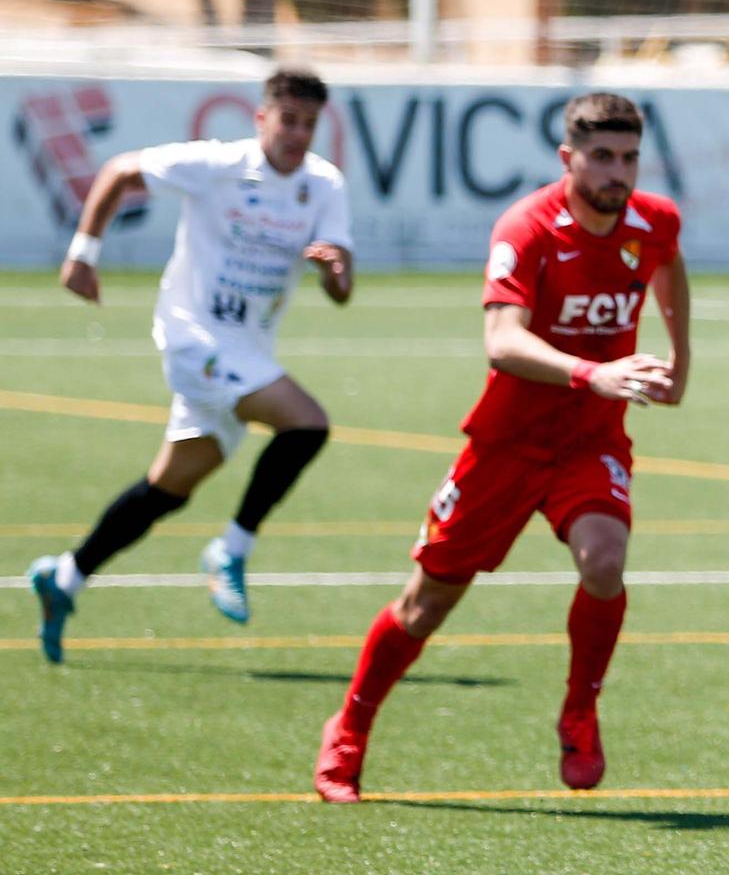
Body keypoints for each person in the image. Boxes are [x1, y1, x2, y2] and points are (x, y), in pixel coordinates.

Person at [313, 93, 690, 802]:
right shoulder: (529, 227)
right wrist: (594, 372)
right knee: (425, 605)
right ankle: (350, 726)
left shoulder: (655, 220)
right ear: (567, 158)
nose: (618, 171)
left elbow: (668, 266)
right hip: (506, 445)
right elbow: (502, 340)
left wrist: (681, 358)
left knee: (605, 560)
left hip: (590, 439)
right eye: (602, 156)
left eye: (629, 157)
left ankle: (580, 710)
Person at [27, 68, 354, 663]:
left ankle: (65, 577)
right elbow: (119, 170)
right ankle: (233, 547)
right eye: (289, 120)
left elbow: (342, 289)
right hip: (193, 337)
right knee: (307, 424)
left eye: (309, 124)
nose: (298, 134)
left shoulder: (324, 186)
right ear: (262, 118)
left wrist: (334, 273)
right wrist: (83, 252)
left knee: (167, 489)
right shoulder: (219, 164)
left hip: (247, 350)